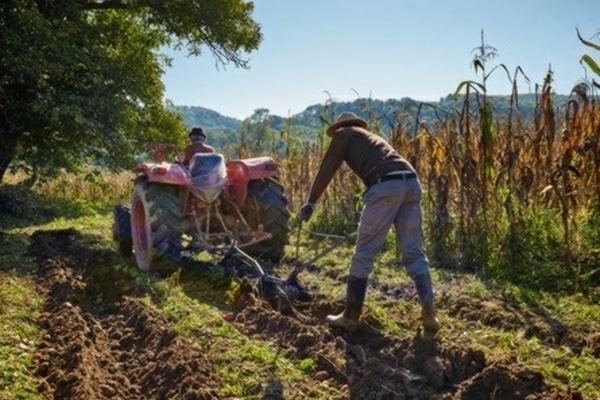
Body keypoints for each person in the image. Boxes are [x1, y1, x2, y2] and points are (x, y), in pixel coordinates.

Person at [299, 112, 440, 334]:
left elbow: (328, 167)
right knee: (414, 252)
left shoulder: (344, 134)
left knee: (364, 253)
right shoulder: (371, 138)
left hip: (385, 187)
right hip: (412, 184)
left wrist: (311, 202)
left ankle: (350, 316)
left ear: (340, 128)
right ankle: (429, 312)